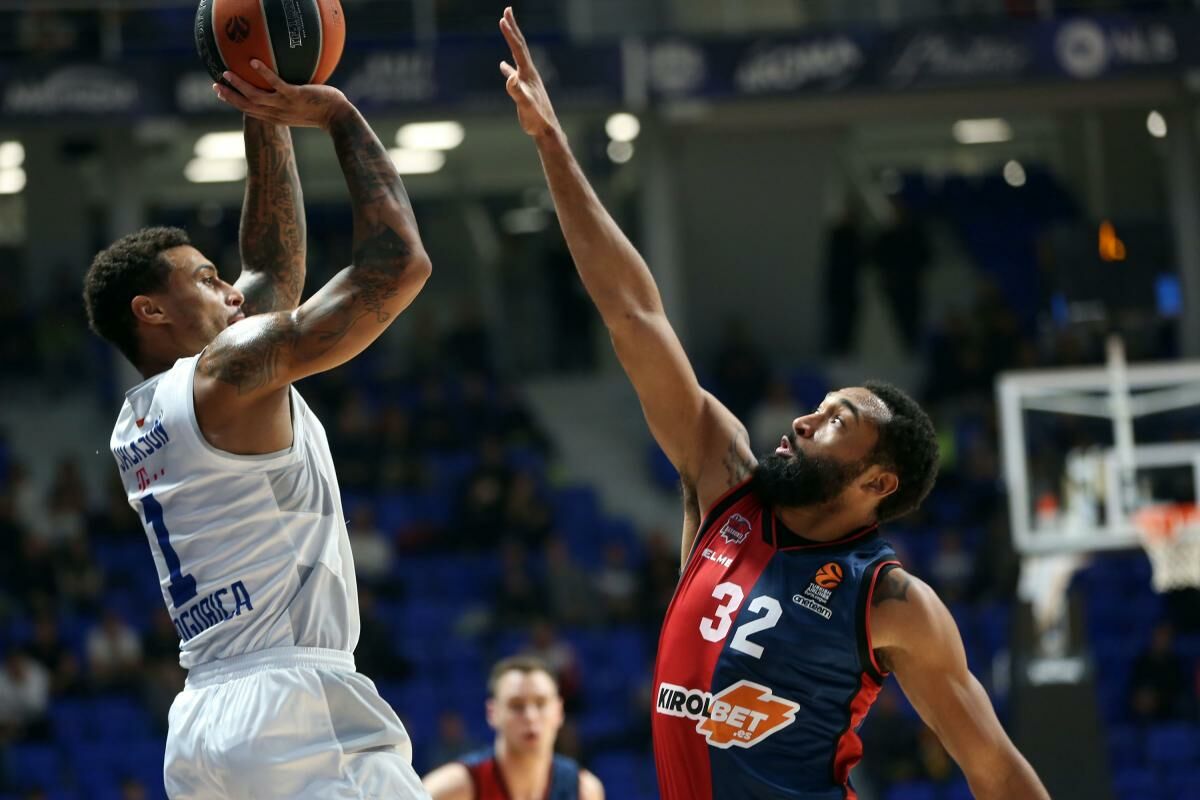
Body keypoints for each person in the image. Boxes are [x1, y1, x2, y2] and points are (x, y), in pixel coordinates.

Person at [496, 8, 1049, 800]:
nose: (803, 420)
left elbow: (992, 767)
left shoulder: (891, 601)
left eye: (835, 423)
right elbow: (633, 313)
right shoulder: (723, 477)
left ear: (877, 480)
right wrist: (552, 145)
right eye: (818, 407)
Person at [82, 60, 432, 798]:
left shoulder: (140, 418)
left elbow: (271, 269)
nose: (230, 289)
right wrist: (336, 115)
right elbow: (400, 264)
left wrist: (265, 106)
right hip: (292, 706)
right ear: (151, 311)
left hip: (203, 720)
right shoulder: (224, 375)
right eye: (206, 278)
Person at [422, 656, 604, 800]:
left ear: (558, 711)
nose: (530, 716)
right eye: (516, 705)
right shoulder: (451, 788)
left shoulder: (584, 790)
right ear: (493, 713)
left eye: (541, 703)